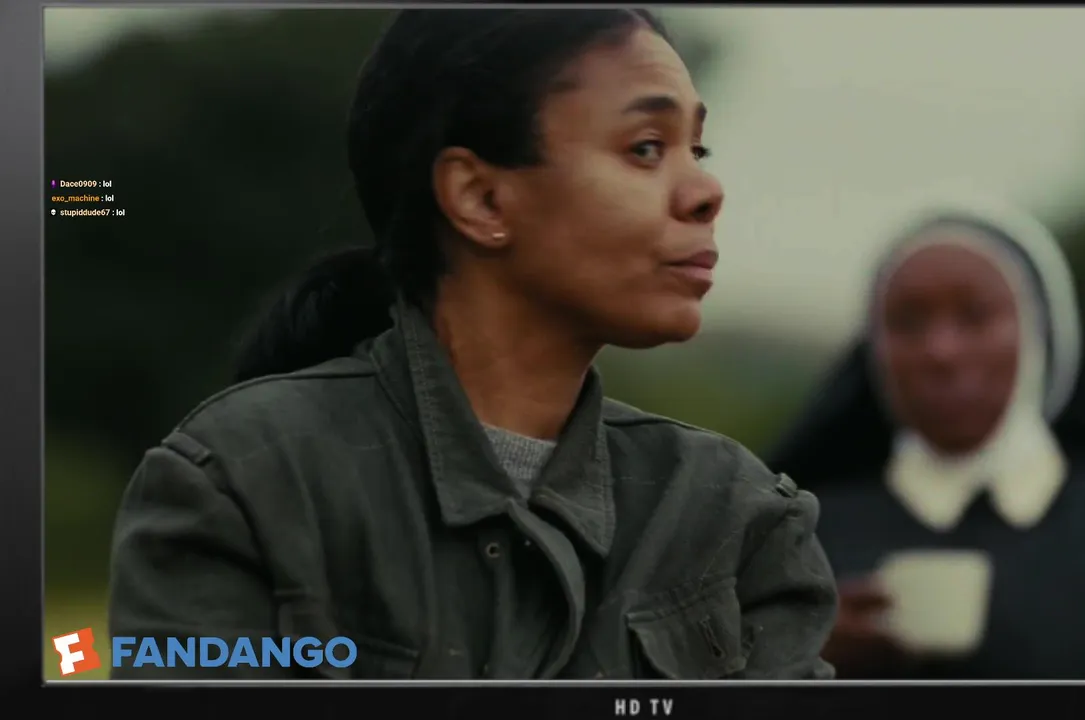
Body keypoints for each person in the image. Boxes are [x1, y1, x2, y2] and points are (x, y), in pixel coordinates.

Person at [107, 9, 837, 680]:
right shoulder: (243, 483)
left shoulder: (735, 516)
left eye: (695, 148)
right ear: (480, 198)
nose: (706, 190)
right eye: (646, 148)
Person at [767, 196, 1085, 680]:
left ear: (1039, 332)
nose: (940, 351)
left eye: (974, 316)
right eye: (908, 322)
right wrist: (792, 660)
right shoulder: (803, 537)